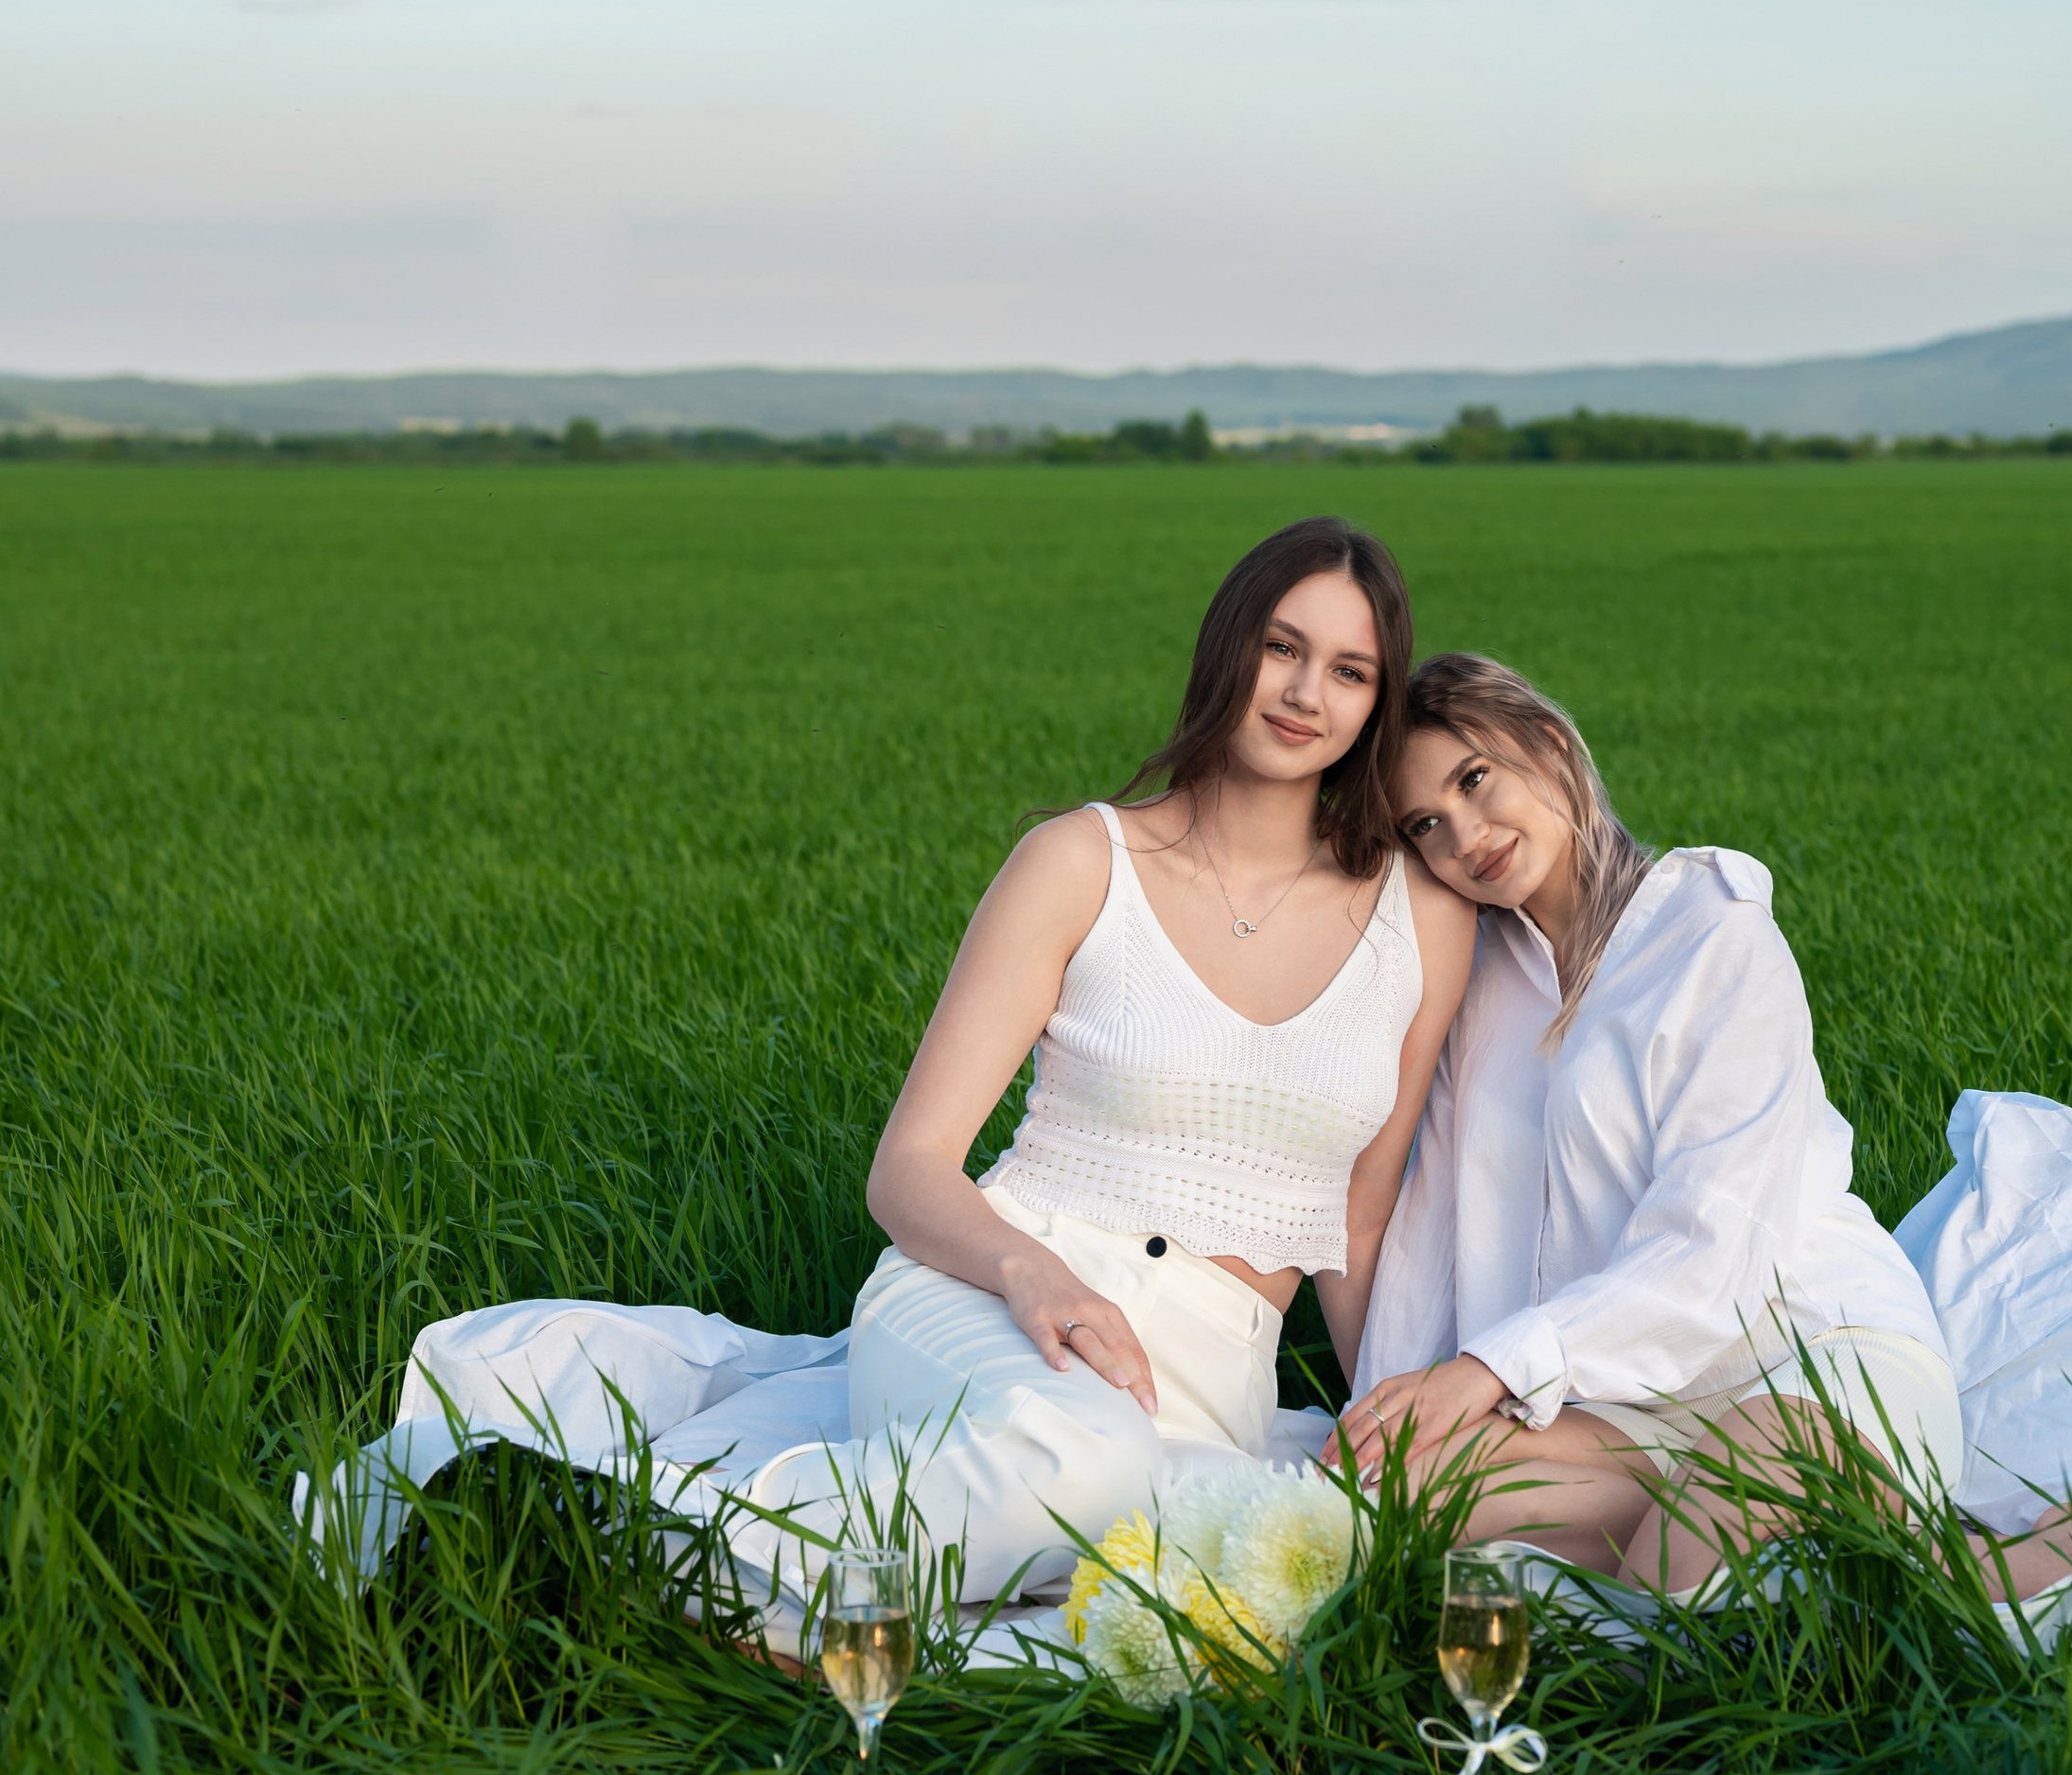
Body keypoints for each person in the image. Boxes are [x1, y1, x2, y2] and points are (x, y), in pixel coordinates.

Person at [325, 520, 1472, 1634]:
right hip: (992, 1300)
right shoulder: (1083, 862)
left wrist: (1393, 1414)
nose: (1304, 692)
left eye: (1350, 670)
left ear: (1377, 702)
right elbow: (911, 1167)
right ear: (1229, 647)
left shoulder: (1414, 916)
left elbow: (1360, 1223)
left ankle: (685, 1567)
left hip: (1210, 1384)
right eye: (1280, 646)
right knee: (1086, 1468)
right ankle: (607, 1535)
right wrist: (1033, 1278)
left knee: (1198, 1563)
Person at [1335, 654, 2072, 1599]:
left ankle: (2056, 1554)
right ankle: (1796, 1548)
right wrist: (1385, 1417)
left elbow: (1715, 1243)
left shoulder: (1713, 932)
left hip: (1807, 1357)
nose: (1466, 836)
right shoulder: (1480, 978)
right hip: (1625, 1403)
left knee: (1683, 1570)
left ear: (1545, 745)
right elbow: (1433, 1227)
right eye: (1426, 824)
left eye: (1474, 781)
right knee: (1404, 1500)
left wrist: (1493, 1368)